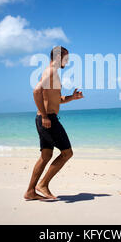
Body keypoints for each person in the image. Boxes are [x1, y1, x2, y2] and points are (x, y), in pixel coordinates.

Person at [24, 46, 84, 200]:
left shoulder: (53, 73)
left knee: (46, 155)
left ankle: (30, 191)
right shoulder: (50, 72)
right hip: (48, 119)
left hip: (45, 118)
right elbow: (36, 91)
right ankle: (42, 185)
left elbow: (56, 100)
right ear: (58, 58)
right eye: (66, 58)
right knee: (67, 153)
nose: (67, 61)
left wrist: (72, 97)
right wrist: (45, 116)